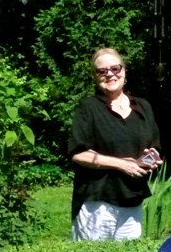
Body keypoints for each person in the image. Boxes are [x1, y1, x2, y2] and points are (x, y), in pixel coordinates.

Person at [67, 48, 162, 241]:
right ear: (95, 77)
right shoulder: (89, 108)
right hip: (98, 201)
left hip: (132, 199)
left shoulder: (142, 106)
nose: (110, 74)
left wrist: (150, 159)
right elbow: (78, 153)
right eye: (102, 71)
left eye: (115, 68)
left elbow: (154, 146)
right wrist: (122, 164)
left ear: (124, 71)